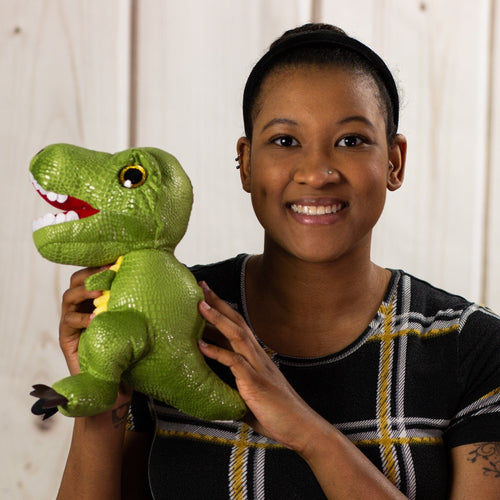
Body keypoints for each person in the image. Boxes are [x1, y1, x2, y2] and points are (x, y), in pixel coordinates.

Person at [54, 23, 500, 499]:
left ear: (394, 161)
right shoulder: (173, 314)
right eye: (285, 141)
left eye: (350, 141)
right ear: (245, 163)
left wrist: (306, 430)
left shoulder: (473, 347)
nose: (317, 173)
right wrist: (100, 402)